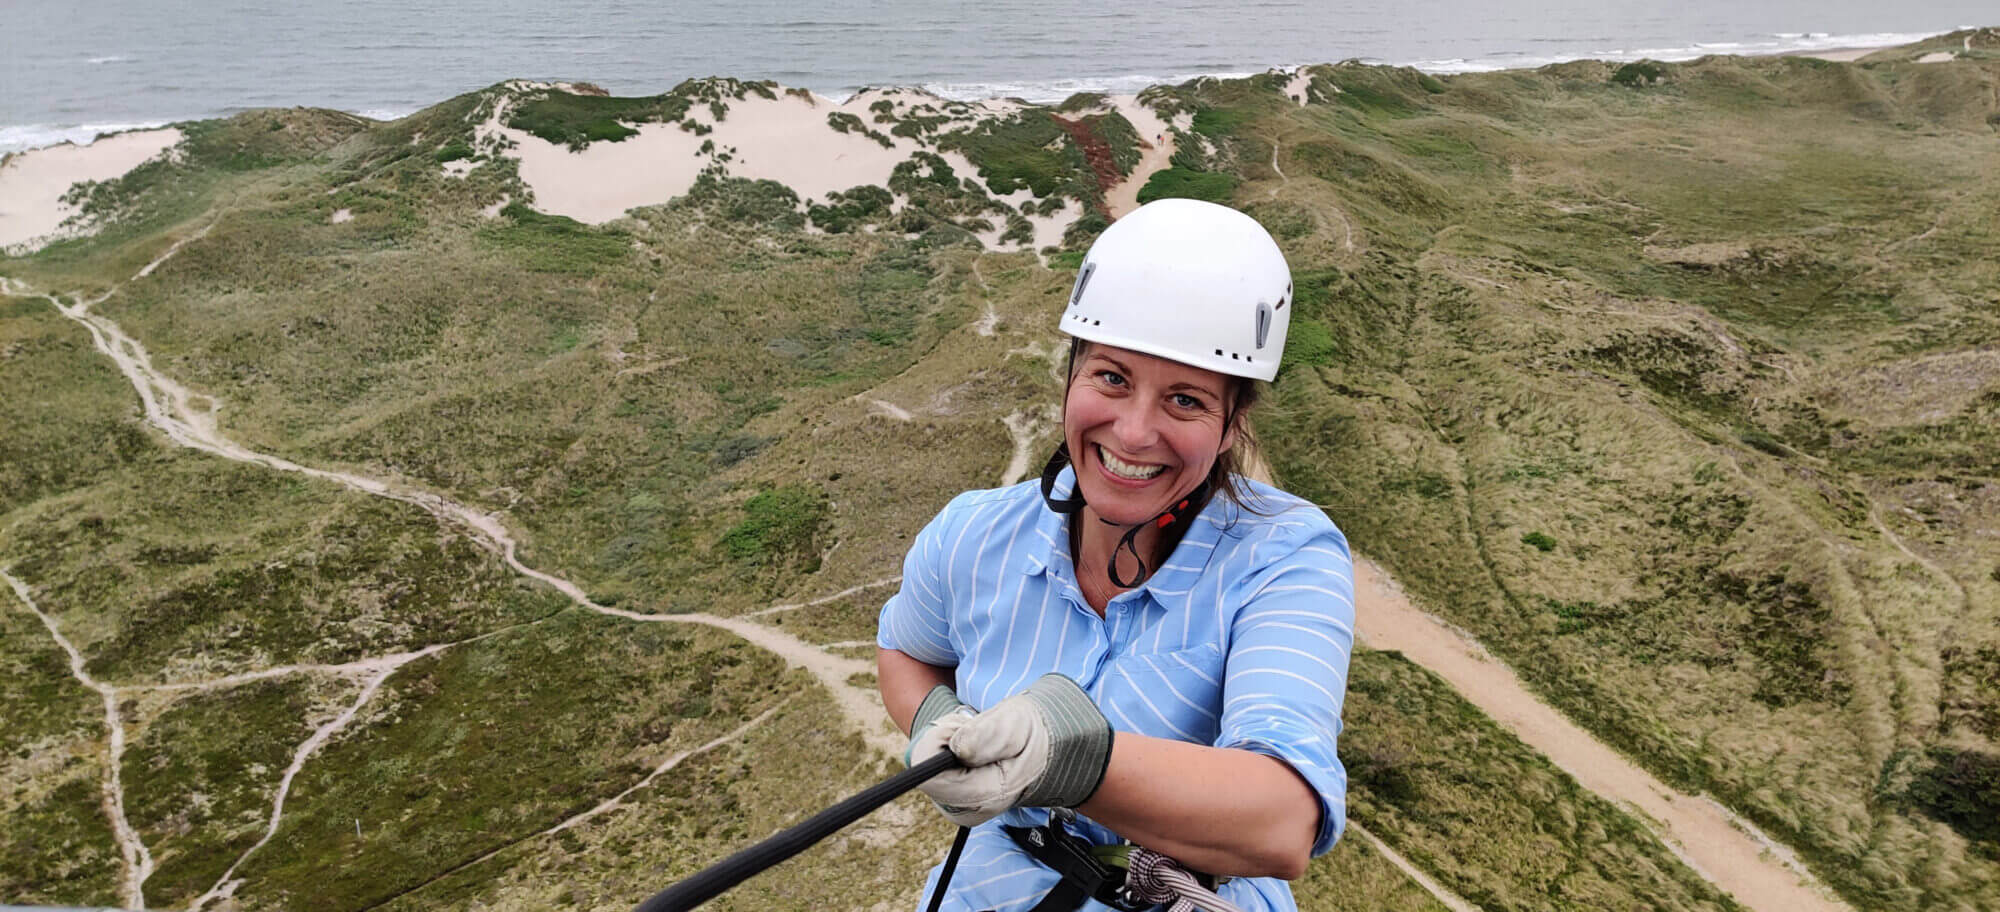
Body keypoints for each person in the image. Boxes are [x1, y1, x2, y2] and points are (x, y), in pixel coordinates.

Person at [876, 198, 1354, 912]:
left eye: (1185, 400)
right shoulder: (971, 535)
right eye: (1111, 378)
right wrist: (940, 725)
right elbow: (906, 653)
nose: (1133, 434)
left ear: (1231, 425)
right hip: (988, 888)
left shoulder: (1284, 559)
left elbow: (1284, 822)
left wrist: (1066, 757)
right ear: (1070, 375)